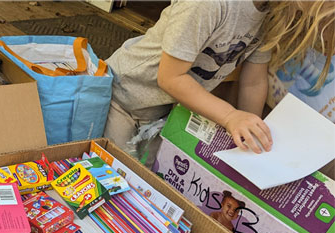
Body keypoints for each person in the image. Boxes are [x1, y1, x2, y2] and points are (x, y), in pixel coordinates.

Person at [104, 0, 335, 155]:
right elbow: (171, 78)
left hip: (165, 111)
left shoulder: (269, 12)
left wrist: (249, 133)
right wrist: (230, 116)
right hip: (124, 98)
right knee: (118, 174)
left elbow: (253, 82)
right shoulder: (208, 4)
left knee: (151, 178)